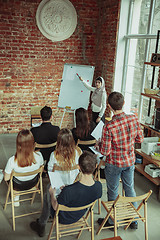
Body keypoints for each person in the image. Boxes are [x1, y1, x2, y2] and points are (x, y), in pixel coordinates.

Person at [96, 91, 144, 229]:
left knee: (113, 191)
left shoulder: (109, 126)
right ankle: (133, 220)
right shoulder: (133, 119)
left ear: (109, 107)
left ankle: (113, 221)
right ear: (123, 103)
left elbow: (105, 151)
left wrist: (98, 144)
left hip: (114, 164)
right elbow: (140, 139)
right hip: (130, 161)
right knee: (130, 189)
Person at [30, 151, 102, 237]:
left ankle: (41, 224)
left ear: (79, 167)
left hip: (63, 218)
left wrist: (52, 194)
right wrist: (68, 188)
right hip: (80, 214)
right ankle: (41, 222)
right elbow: (83, 192)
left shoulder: (69, 191)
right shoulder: (99, 186)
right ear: (96, 166)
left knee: (48, 193)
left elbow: (56, 207)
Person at [4, 129, 44, 206]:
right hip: (33, 184)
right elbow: (40, 169)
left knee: (7, 175)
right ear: (33, 142)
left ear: (18, 144)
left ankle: (16, 197)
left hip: (17, 186)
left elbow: (6, 179)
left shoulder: (12, 160)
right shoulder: (39, 156)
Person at [31, 106, 60, 171]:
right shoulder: (57, 129)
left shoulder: (34, 131)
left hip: (39, 155)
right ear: (51, 116)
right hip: (52, 153)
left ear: (41, 117)